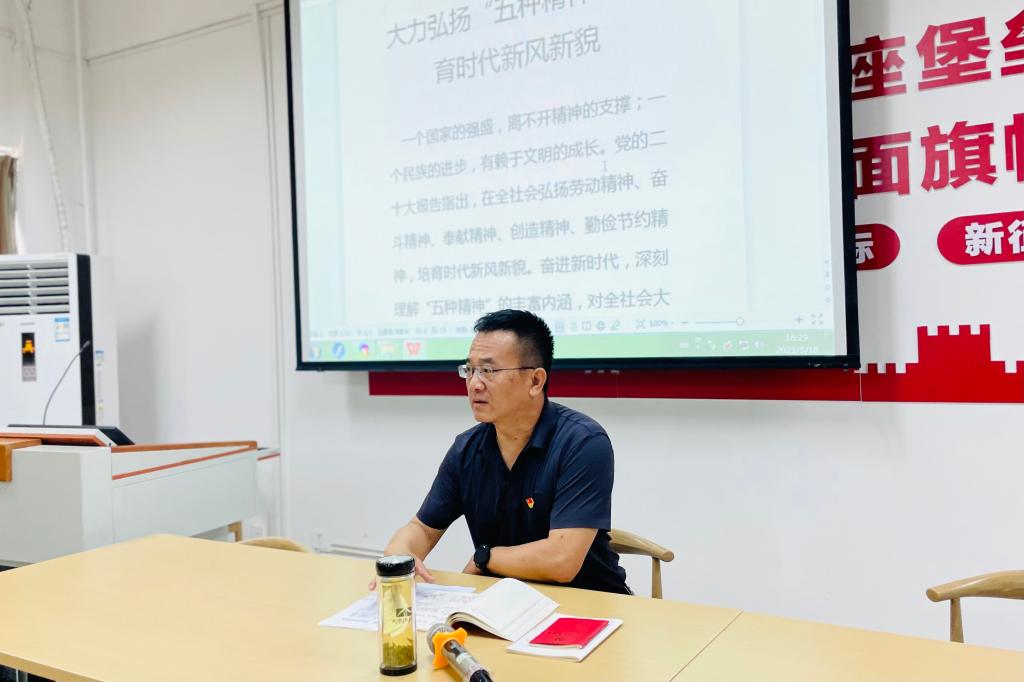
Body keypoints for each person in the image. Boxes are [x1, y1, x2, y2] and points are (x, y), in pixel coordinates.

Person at [378, 309, 629, 594]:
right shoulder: (466, 449)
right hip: (503, 601)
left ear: (535, 381)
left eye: (488, 371)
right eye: (470, 370)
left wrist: (485, 557)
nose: (474, 384)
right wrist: (399, 554)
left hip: (589, 601)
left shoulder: (582, 442)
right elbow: (422, 529)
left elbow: (562, 560)